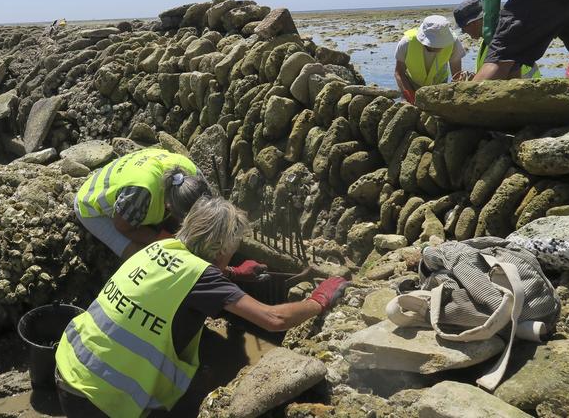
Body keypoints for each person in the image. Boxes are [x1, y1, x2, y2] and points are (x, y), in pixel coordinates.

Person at [54, 197, 350, 417]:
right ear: (222, 250)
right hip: (100, 396)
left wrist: (230, 274)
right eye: (232, 251)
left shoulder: (159, 246)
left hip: (70, 362)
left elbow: (173, 278)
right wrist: (318, 300)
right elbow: (273, 318)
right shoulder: (203, 278)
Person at [74, 147, 213, 259]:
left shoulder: (194, 176)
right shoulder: (139, 194)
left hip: (136, 174)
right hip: (92, 204)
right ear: (168, 207)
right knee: (148, 257)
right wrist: (168, 241)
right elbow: (122, 227)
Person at [453, 0, 540, 79]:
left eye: (463, 28)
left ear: (473, 23)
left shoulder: (503, 40)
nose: (463, 32)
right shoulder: (488, 41)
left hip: (528, 90)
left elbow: (503, 74)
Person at [394, 14, 466, 103]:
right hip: (411, 84)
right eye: (433, 45)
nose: (437, 48)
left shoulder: (454, 43)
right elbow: (399, 73)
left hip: (439, 85)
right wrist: (411, 97)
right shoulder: (407, 42)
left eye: (440, 45)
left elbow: (457, 76)